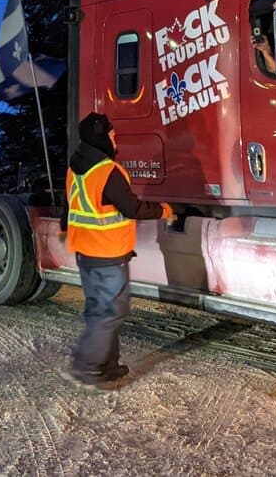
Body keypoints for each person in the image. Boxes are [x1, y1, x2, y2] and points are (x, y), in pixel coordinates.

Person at [64, 112, 175, 387]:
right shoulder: (107, 171)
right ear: (102, 137)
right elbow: (131, 207)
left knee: (99, 310)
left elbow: (72, 208)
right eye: (112, 135)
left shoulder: (75, 168)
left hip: (85, 252)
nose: (115, 139)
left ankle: (107, 367)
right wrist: (163, 210)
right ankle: (85, 366)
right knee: (111, 311)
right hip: (107, 254)